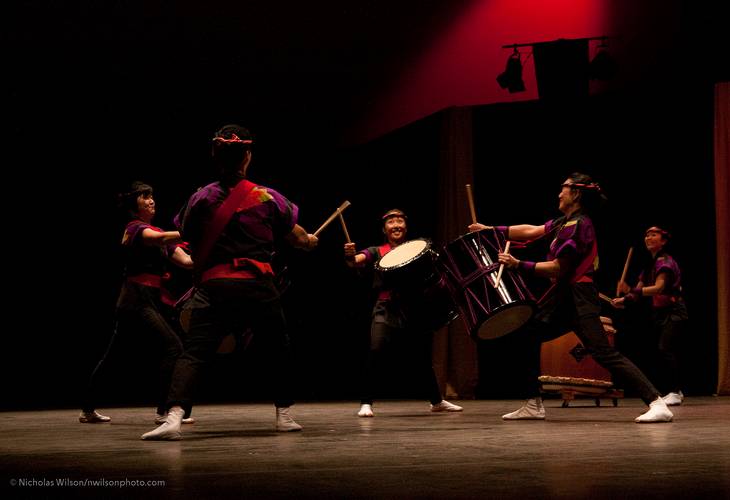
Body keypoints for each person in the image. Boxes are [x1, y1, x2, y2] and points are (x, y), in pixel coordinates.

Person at [141, 124, 318, 440]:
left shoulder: (201, 197)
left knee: (194, 352)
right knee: (279, 347)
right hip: (258, 286)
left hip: (215, 286)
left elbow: (188, 235)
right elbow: (297, 236)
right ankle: (284, 415)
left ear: (214, 154)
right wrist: (309, 242)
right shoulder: (268, 197)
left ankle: (174, 417)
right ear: (248, 156)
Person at [469, 172, 673, 423]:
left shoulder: (578, 226)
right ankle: (533, 404)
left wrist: (517, 263)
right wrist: (490, 230)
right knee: (527, 334)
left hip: (578, 296)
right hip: (564, 297)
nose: (558, 193)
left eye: (563, 188)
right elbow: (532, 231)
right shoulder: (563, 223)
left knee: (602, 352)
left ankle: (656, 401)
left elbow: (557, 268)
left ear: (575, 193)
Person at [81, 182, 195, 425]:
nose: (151, 200)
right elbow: (161, 238)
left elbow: (186, 262)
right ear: (134, 204)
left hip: (151, 300)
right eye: (145, 197)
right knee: (174, 347)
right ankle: (164, 412)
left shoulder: (159, 235)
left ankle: (88, 408)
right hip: (135, 300)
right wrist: (193, 230)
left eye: (152, 196)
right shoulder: (134, 228)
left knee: (116, 355)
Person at [344, 208, 463, 417]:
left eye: (399, 221)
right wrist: (350, 256)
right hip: (386, 307)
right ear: (384, 229)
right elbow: (356, 261)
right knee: (375, 351)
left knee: (422, 357)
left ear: (405, 227)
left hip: (414, 307)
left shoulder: (416, 248)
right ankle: (366, 403)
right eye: (391, 222)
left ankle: (436, 401)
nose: (396, 225)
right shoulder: (376, 251)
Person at [613, 226, 688, 406]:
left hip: (674, 311)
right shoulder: (648, 265)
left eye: (653, 235)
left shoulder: (665, 262)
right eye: (646, 235)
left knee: (665, 349)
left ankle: (675, 392)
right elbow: (638, 291)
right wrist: (624, 299)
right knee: (662, 351)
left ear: (663, 241)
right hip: (659, 312)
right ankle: (673, 390)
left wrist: (629, 290)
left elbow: (658, 288)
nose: (648, 237)